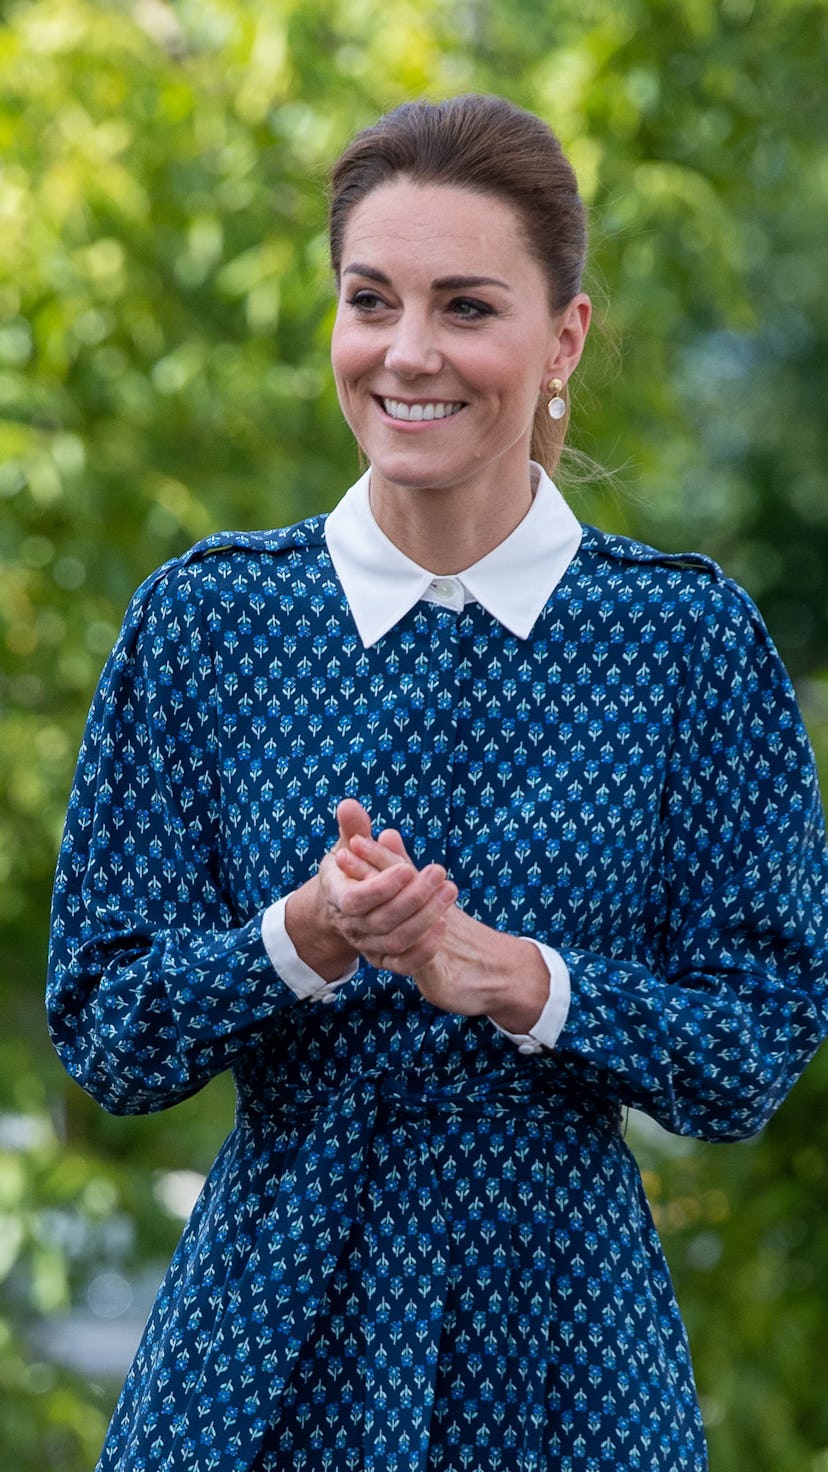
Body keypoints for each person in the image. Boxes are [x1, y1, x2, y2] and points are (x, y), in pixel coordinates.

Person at [47, 94, 828, 1472]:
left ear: (563, 337)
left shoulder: (687, 645)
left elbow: (755, 1047)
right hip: (258, 1355)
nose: (408, 354)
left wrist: (516, 977)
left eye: (467, 306)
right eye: (370, 300)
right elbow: (107, 1031)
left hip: (569, 1363)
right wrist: (301, 939)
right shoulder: (208, 624)